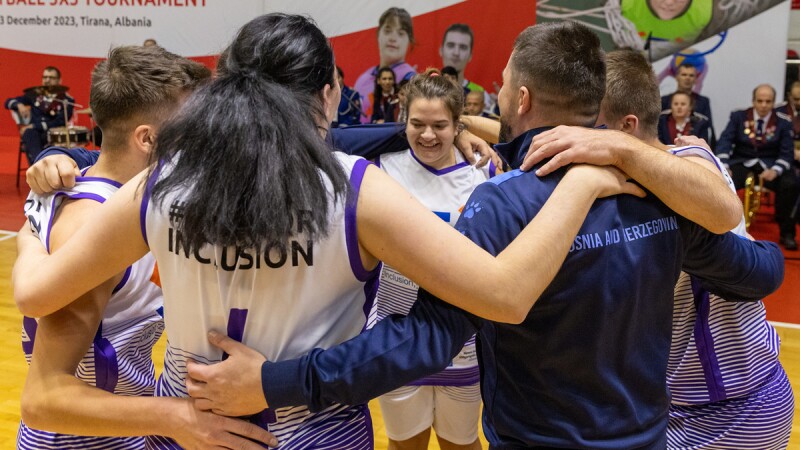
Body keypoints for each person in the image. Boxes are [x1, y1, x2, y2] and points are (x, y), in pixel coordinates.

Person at [12, 14, 643, 449]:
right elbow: (505, 294)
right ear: (330, 91)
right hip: (314, 429)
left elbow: (36, 294)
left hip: (190, 427)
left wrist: (37, 226)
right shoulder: (354, 188)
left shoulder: (164, 179)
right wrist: (583, 184)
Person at [181, 21, 783, 450]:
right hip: (647, 433)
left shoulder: (501, 201)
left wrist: (276, 382)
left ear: (520, 96)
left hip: (536, 434)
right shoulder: (657, 189)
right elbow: (760, 272)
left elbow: (428, 337)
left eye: (500, 83)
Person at [526, 49, 794, 449]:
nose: (577, 135)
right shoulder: (632, 173)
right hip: (672, 402)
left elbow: (722, 207)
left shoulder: (689, 160)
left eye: (589, 125)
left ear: (626, 126)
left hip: (734, 403)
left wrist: (619, 149)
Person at [15, 45, 279, 449]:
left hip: (122, 426)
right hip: (80, 439)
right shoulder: (93, 223)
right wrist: (175, 417)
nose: (205, 136)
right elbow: (43, 399)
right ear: (147, 138)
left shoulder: (128, 198)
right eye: (193, 125)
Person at [370, 68, 494, 450]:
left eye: (440, 125)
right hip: (397, 334)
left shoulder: (483, 171)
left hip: (462, 339)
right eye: (417, 123)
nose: (427, 134)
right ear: (402, 121)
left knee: (461, 442)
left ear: (457, 124)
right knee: (406, 443)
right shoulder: (381, 166)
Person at [715, 84, 800, 250]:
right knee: (720, 181)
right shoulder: (738, 117)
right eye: (760, 101)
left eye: (768, 101)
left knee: (790, 184)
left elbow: (787, 152)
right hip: (742, 162)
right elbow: (724, 141)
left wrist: (776, 170)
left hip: (770, 166)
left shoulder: (783, 122)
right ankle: (720, 230)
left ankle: (787, 233)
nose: (763, 105)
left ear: (773, 103)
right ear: (753, 101)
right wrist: (724, 166)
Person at [355, 7, 416, 123]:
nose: (393, 38)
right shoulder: (363, 79)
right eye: (388, 31)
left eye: (401, 33)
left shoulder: (411, 79)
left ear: (410, 40)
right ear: (378, 34)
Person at [5, 66, 75, 163]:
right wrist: (19, 104)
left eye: (51, 78)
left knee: (48, 136)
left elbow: (60, 121)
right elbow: (8, 102)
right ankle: (38, 165)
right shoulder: (34, 95)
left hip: (53, 134)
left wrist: (34, 125)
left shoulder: (66, 100)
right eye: (45, 77)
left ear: (59, 80)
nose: (47, 80)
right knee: (29, 133)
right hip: (34, 134)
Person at [439, 23, 492, 113]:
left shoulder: (480, 93)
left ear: (470, 55)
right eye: (451, 45)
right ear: (441, 50)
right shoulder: (427, 87)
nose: (456, 53)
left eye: (463, 47)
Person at [660, 63, 713, 128]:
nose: (687, 78)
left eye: (691, 75)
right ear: (676, 77)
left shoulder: (703, 102)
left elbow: (709, 127)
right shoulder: (664, 101)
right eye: (684, 75)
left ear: (696, 79)